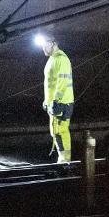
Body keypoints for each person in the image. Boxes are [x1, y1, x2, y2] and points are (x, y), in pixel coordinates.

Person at [39, 33, 74, 163]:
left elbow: (62, 82)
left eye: (44, 45)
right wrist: (47, 101)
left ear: (52, 43)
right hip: (55, 103)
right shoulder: (52, 59)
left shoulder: (61, 59)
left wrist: (56, 101)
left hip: (62, 103)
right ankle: (62, 159)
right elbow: (51, 84)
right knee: (55, 132)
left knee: (61, 131)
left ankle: (66, 161)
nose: (43, 48)